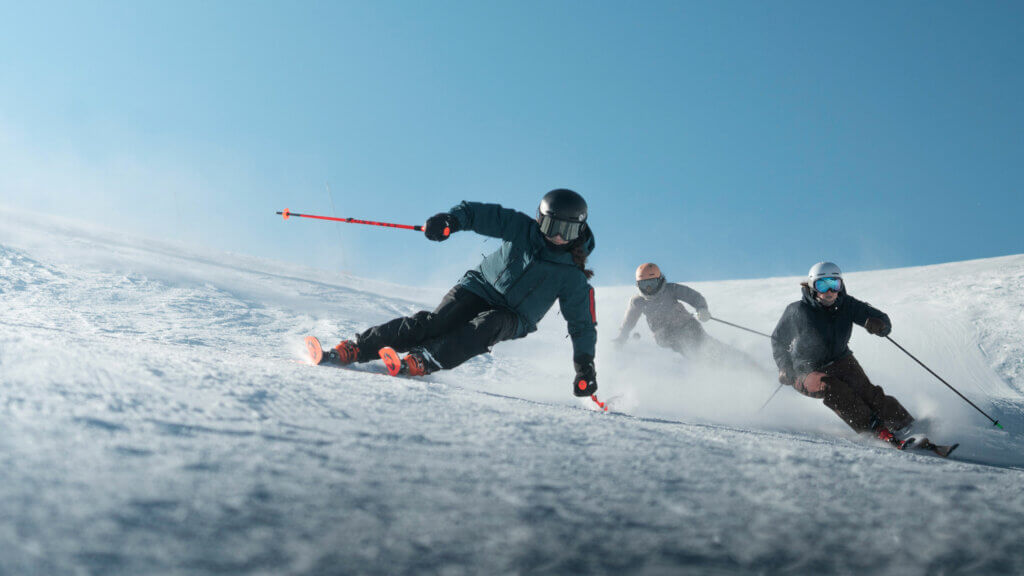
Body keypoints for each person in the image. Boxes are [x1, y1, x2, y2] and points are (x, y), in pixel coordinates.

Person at [318, 189, 599, 399]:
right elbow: (480, 215)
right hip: (480, 286)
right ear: (540, 220)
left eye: (568, 230)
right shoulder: (520, 228)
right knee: (433, 323)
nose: (559, 237)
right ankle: (357, 347)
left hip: (515, 315)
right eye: (553, 227)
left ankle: (425, 359)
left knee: (486, 327)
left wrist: (584, 365)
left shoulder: (572, 276)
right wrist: (451, 221)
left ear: (579, 230)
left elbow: (582, 324)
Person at [771, 262, 915, 448]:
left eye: (835, 284)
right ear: (812, 286)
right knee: (835, 389)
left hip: (841, 360)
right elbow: (778, 340)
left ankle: (906, 425)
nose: (830, 291)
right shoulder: (798, 311)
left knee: (868, 393)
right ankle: (876, 430)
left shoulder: (847, 305)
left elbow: (882, 320)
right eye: (822, 285)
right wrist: (785, 367)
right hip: (806, 370)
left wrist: (880, 325)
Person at [613, 263, 758, 368]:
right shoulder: (638, 301)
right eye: (645, 285)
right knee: (695, 355)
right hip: (666, 336)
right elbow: (629, 322)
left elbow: (693, 296)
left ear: (659, 280)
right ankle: (717, 369)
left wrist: (702, 309)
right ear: (638, 285)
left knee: (709, 347)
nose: (649, 289)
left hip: (687, 326)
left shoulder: (670, 289)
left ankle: (746, 364)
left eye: (651, 283)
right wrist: (621, 337)